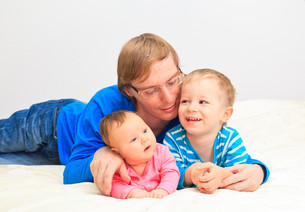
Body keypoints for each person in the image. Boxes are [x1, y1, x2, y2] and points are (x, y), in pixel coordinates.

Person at [0, 33, 269, 196]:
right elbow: (71, 172)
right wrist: (104, 154)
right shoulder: (107, 102)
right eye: (152, 90)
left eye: (173, 80)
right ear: (129, 90)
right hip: (51, 125)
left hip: (58, 156)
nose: (169, 98)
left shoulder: (186, 105)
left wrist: (259, 170)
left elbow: (218, 139)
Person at [164, 69, 270, 194]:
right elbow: (169, 175)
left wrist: (222, 174)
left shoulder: (230, 138)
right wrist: (191, 174)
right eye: (185, 101)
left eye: (203, 102)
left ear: (225, 114)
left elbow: (240, 171)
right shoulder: (172, 138)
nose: (191, 108)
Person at [99, 110, 179, 199]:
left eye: (144, 131)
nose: (144, 139)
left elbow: (172, 173)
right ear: (118, 152)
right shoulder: (118, 165)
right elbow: (114, 184)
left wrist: (164, 189)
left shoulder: (161, 152)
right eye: (133, 139)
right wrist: (131, 192)